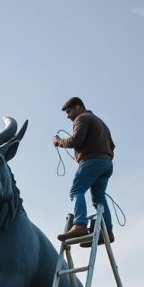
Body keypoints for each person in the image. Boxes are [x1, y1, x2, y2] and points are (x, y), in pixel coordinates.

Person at [52, 97, 116, 244]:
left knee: (76, 191)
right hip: (106, 164)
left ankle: (80, 224)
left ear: (78, 107)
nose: (68, 116)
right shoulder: (100, 122)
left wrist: (58, 141)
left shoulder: (82, 118)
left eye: (69, 111)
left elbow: (75, 141)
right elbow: (112, 146)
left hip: (91, 162)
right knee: (99, 199)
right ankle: (108, 232)